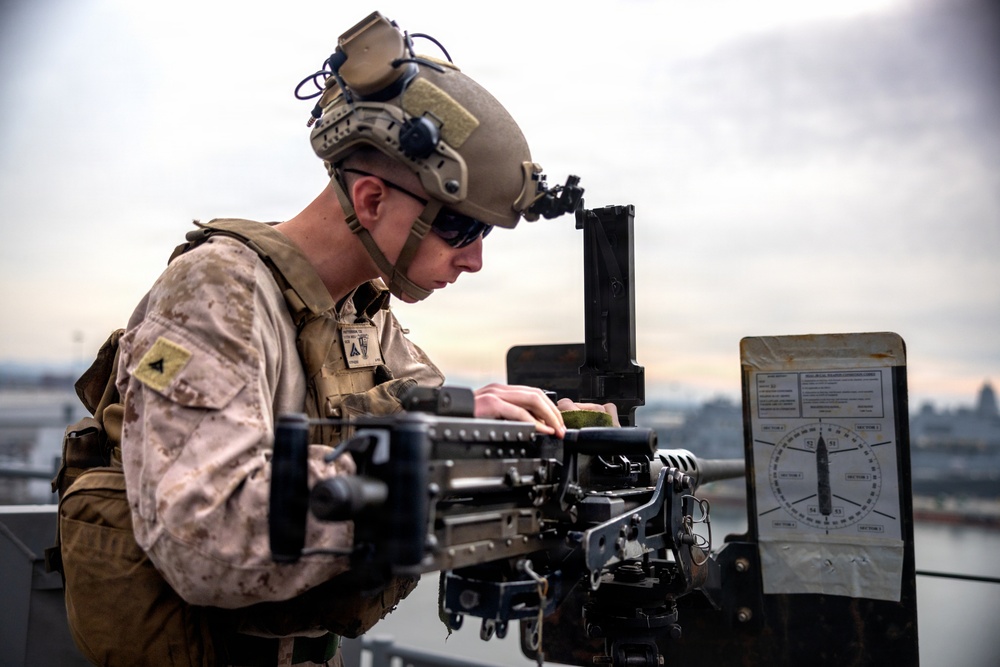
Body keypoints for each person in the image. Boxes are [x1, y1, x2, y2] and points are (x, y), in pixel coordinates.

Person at [59, 10, 615, 667]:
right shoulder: (215, 293)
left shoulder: (361, 313)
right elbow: (205, 537)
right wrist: (437, 472)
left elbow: (422, 424)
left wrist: (543, 435)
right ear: (374, 200)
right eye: (462, 231)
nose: (474, 261)